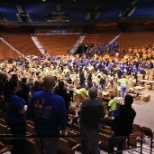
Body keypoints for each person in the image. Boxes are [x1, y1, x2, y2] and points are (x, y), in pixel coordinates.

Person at [27, 75, 67, 154]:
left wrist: (36, 120)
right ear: (54, 85)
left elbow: (29, 112)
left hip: (38, 130)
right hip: (51, 133)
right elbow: (62, 118)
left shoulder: (35, 95)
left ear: (43, 83)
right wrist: (63, 130)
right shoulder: (59, 99)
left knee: (40, 149)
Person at [3, 79, 27, 154]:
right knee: (19, 142)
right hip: (18, 123)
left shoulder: (7, 96)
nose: (18, 87)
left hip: (11, 121)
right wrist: (26, 106)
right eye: (17, 85)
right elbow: (22, 111)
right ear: (14, 87)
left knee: (15, 140)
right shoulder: (14, 98)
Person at [80, 87, 105, 154]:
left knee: (84, 145)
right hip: (93, 127)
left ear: (89, 94)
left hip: (83, 126)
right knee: (95, 146)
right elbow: (103, 114)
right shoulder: (98, 104)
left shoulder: (84, 102)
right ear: (96, 94)